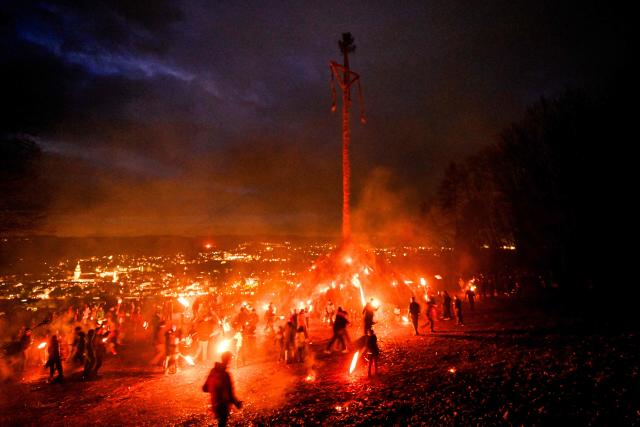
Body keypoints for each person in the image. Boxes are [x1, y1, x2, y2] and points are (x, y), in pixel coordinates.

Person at [202, 351, 242, 427]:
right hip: (223, 405)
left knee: (221, 422)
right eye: (231, 359)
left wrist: (214, 389)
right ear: (229, 361)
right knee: (222, 423)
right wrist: (237, 403)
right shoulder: (226, 375)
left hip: (215, 404)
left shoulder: (213, 371)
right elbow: (230, 394)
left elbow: (204, 388)